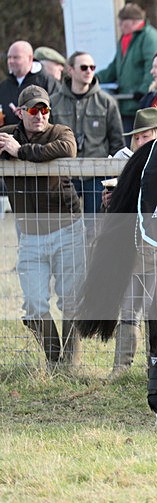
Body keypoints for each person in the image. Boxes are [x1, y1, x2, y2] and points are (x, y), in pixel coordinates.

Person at [0, 85, 83, 370]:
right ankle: (53, 358)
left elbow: (67, 150)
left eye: (44, 109)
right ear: (20, 112)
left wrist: (20, 151)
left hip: (67, 229)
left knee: (71, 300)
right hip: (30, 235)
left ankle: (68, 366)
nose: (40, 115)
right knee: (34, 305)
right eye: (33, 110)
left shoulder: (60, 132)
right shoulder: (7, 134)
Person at [105, 107, 157, 375]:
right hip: (133, 247)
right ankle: (121, 369)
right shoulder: (126, 164)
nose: (139, 143)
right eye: (136, 138)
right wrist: (112, 203)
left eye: (145, 137)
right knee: (128, 309)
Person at [51, 51, 124, 241]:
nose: (89, 71)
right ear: (70, 70)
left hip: (97, 175)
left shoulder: (107, 102)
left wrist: (113, 180)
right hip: (65, 175)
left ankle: (93, 267)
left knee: (95, 229)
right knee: (65, 229)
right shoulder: (54, 103)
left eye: (92, 67)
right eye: (83, 67)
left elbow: (117, 143)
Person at [96, 3, 157, 132]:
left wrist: (144, 91)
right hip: (126, 104)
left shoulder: (150, 38)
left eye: (123, 22)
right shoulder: (125, 38)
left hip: (143, 104)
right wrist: (94, 78)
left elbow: (152, 67)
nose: (120, 25)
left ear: (134, 21)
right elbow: (114, 68)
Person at [0, 41, 58, 126]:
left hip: (40, 138)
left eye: (16, 57)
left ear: (30, 58)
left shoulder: (48, 82)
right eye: (9, 57)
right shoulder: (3, 86)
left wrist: (28, 113)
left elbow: (56, 114)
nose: (11, 61)